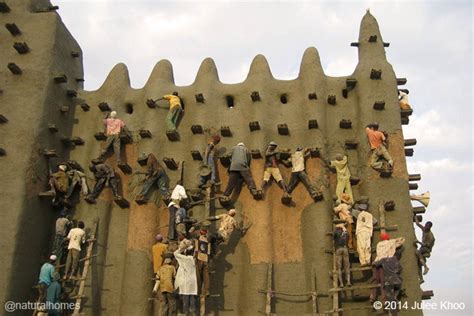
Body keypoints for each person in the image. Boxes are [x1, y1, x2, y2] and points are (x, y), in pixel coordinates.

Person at [370, 233, 405, 304]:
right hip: (385, 262)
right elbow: (402, 240)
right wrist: (395, 240)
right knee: (384, 281)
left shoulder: (379, 244)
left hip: (377, 262)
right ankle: (384, 300)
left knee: (375, 279)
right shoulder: (391, 242)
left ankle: (372, 296)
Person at [174, 248, 198, 315]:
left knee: (185, 300)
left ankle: (186, 313)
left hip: (186, 282)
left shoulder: (185, 259)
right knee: (192, 298)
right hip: (193, 282)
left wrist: (181, 248)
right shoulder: (194, 260)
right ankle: (193, 313)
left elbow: (175, 253)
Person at [414, 218, 435, 283]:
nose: (425, 228)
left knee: (417, 252)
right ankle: (421, 279)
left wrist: (418, 242)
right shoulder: (424, 229)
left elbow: (426, 245)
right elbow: (417, 224)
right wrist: (414, 216)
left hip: (426, 249)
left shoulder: (431, 236)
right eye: (425, 226)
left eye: (427, 227)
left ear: (430, 228)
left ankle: (426, 267)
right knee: (418, 264)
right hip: (422, 247)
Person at [195, 228, 211, 297]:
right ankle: (207, 291)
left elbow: (196, 249)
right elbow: (209, 252)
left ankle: (198, 291)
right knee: (206, 276)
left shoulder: (197, 239)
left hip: (199, 258)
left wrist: (195, 258)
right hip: (206, 259)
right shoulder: (208, 241)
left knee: (198, 276)